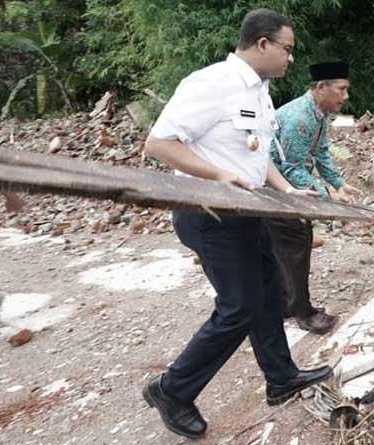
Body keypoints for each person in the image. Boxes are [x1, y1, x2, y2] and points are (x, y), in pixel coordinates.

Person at [141, 9, 332, 439]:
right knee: (239, 306)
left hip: (247, 213)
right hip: (209, 215)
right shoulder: (211, 85)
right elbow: (159, 142)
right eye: (287, 49)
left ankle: (281, 378)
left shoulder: (260, 93)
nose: (290, 59)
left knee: (269, 294)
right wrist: (215, 175)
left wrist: (285, 189)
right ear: (262, 44)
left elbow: (255, 156)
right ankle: (171, 390)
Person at [267, 61, 361, 335]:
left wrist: (338, 184)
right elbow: (290, 168)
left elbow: (320, 153)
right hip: (275, 190)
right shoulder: (299, 118)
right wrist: (326, 196)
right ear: (321, 87)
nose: (345, 97)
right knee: (295, 246)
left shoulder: (317, 114)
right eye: (341, 90)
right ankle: (303, 313)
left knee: (288, 248)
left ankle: (286, 304)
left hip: (288, 186)